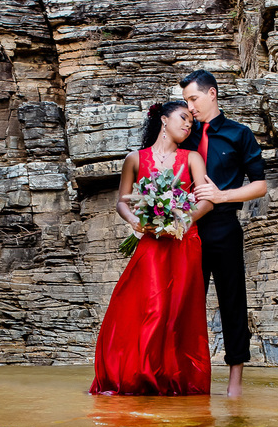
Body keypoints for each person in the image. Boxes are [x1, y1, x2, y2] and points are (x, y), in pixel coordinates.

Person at [90, 101, 215, 396]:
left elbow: (206, 200)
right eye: (183, 118)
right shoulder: (135, 158)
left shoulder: (193, 158)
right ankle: (141, 376)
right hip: (151, 241)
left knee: (179, 312)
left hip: (185, 241)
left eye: (191, 123)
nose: (188, 125)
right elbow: (122, 200)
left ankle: (173, 380)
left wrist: (184, 220)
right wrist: (135, 221)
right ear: (163, 119)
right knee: (151, 307)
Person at [179, 70, 268, 398]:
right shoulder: (185, 134)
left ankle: (234, 385)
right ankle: (187, 377)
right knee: (187, 305)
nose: (190, 107)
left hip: (225, 228)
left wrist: (222, 196)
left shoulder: (239, 134)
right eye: (186, 101)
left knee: (233, 302)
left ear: (212, 93)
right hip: (186, 230)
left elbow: (260, 185)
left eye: (194, 99)